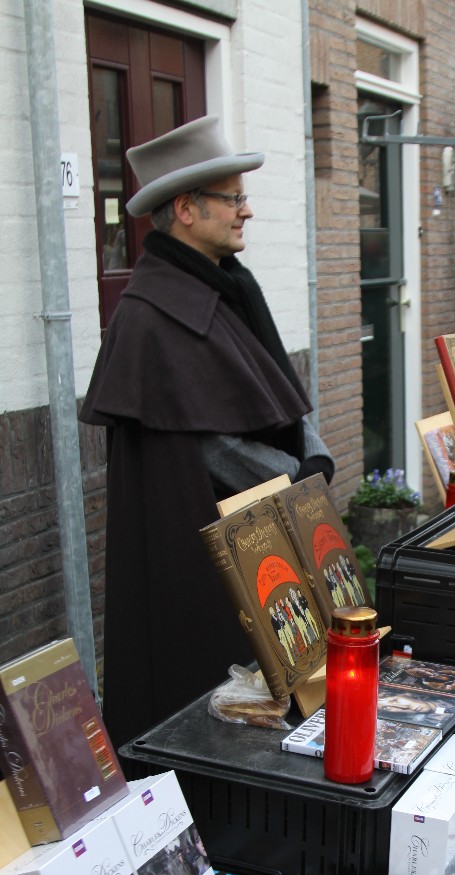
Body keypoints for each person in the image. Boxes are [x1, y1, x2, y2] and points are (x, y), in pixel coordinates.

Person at [80, 116, 334, 747]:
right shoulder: (150, 315)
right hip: (206, 549)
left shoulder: (229, 287)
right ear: (187, 210)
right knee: (211, 703)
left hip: (264, 528)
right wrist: (295, 477)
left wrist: (314, 456)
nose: (247, 210)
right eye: (234, 197)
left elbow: (274, 389)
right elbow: (203, 441)